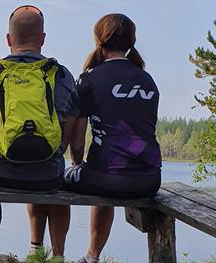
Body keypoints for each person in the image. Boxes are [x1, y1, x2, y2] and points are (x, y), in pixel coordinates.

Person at [0, 5, 78, 258]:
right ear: (42, 39)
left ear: (9, 39)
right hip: (48, 178)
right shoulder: (63, 76)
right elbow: (68, 137)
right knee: (47, 168)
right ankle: (55, 256)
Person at [64, 13, 162, 263]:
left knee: (59, 176)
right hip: (150, 180)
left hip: (104, 178)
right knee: (104, 169)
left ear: (99, 39)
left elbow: (76, 142)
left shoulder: (89, 79)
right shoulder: (147, 80)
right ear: (131, 41)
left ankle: (59, 254)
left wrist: (77, 164)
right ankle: (91, 256)